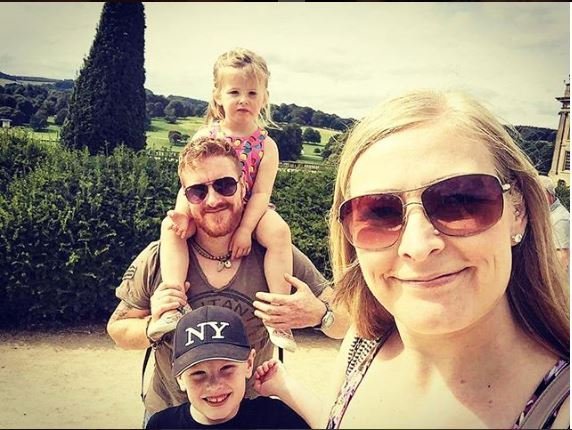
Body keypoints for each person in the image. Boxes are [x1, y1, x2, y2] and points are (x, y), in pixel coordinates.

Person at [320, 90, 570, 428]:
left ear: (518, 211)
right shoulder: (360, 349)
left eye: (460, 202)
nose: (418, 245)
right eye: (378, 213)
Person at [106, 136, 348, 424]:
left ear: (243, 186)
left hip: (251, 416)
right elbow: (118, 329)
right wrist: (151, 325)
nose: (213, 200)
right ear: (185, 197)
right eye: (198, 191)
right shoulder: (161, 257)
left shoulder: (277, 255)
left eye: (224, 185)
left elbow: (347, 321)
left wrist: (319, 315)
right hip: (169, 414)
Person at [154, 47, 297, 352]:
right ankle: (172, 303)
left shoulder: (266, 145)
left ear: (265, 97)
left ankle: (278, 315)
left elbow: (261, 193)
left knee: (279, 233)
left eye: (252, 92)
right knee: (170, 229)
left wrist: (245, 229)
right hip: (208, 204)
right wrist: (182, 214)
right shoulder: (205, 136)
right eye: (234, 92)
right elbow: (189, 182)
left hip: (251, 209)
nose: (243, 99)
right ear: (218, 96)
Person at [146, 305, 309, 429]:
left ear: (249, 363)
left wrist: (286, 388)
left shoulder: (274, 418)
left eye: (226, 368)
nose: (215, 385)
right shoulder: (162, 424)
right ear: (179, 376)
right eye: (198, 373)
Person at [538, 175, 570, 273]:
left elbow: (562, 257)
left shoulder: (560, 219)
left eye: (539, 194)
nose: (536, 198)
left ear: (550, 195)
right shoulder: (546, 212)